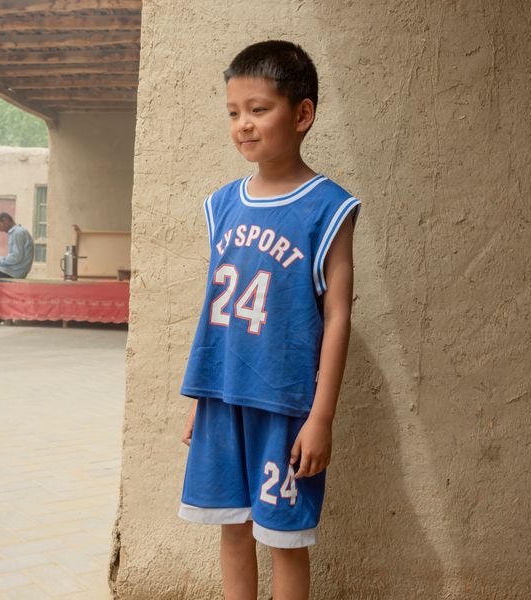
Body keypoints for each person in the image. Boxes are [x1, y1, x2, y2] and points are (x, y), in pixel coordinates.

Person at [178, 40, 360, 600]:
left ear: (302, 114)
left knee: (283, 541)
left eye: (259, 110)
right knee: (231, 532)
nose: (243, 126)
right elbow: (216, 310)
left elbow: (337, 316)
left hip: (284, 405)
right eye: (234, 113)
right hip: (221, 397)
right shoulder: (221, 203)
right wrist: (201, 398)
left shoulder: (328, 207)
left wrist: (321, 417)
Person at [0, 212, 34, 319]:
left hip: (13, 271)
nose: (0, 230)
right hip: (12, 269)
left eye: (0, 226)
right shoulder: (17, 232)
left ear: (6, 220)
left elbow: (16, 258)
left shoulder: (18, 233)